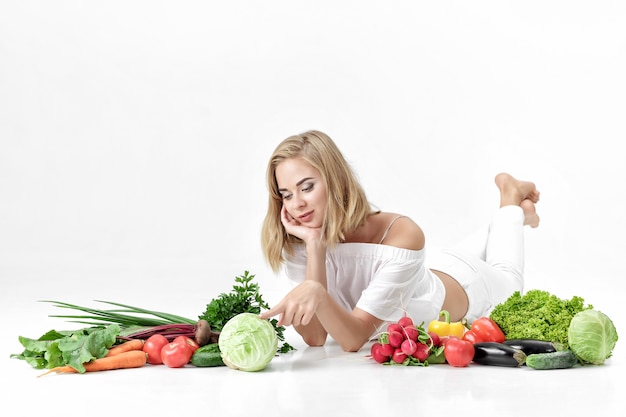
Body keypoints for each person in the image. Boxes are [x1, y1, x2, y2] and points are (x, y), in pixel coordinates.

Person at [259, 130, 540, 352]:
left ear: (335, 180)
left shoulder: (402, 233)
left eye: (307, 187)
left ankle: (511, 202)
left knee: (509, 278)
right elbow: (317, 337)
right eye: (286, 194)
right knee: (461, 253)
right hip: (424, 268)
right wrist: (315, 247)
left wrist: (316, 291)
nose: (297, 204)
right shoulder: (304, 237)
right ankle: (512, 217)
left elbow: (353, 339)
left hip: (465, 283)